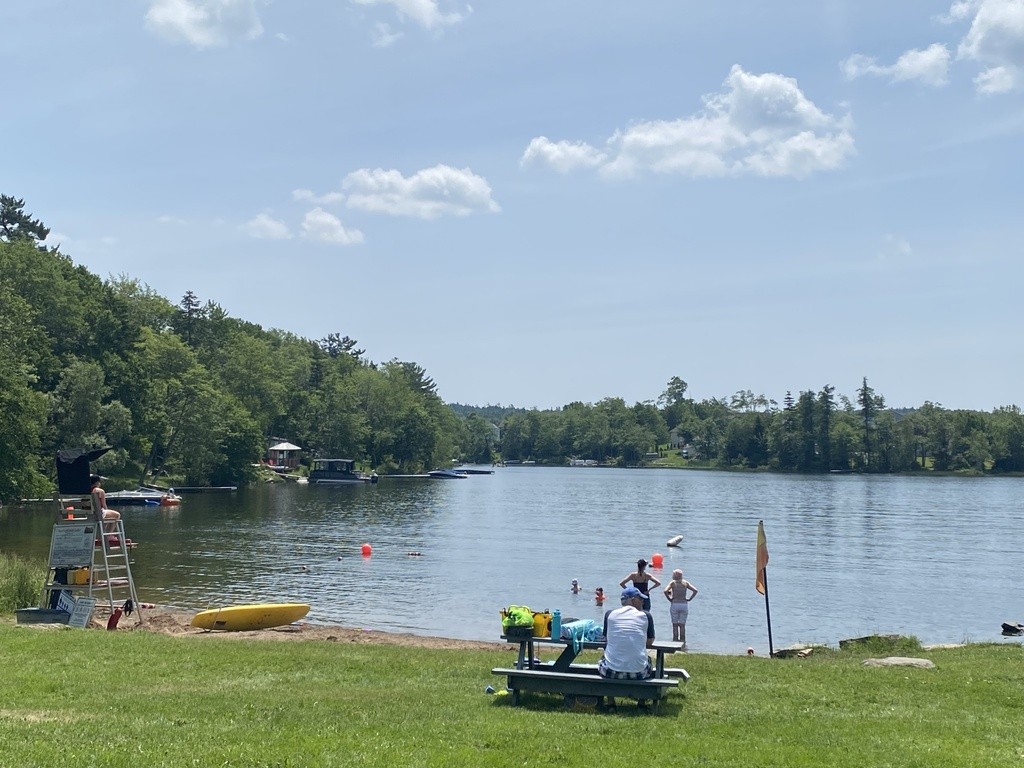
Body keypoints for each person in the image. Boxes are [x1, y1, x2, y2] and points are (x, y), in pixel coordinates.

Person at [598, 586, 655, 681]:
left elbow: (606, 639)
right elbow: (650, 642)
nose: (643, 602)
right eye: (640, 599)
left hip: (610, 672)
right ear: (633, 600)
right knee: (648, 660)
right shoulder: (646, 616)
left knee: (602, 659)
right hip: (638, 673)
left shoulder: (609, 614)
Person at [663, 568, 698, 645]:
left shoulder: (673, 583)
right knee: (682, 625)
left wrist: (669, 599)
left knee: (675, 625)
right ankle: (683, 642)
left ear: (675, 575)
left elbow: (665, 591)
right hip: (684, 604)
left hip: (675, 604)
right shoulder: (685, 583)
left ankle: (675, 642)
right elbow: (695, 590)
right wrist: (689, 599)